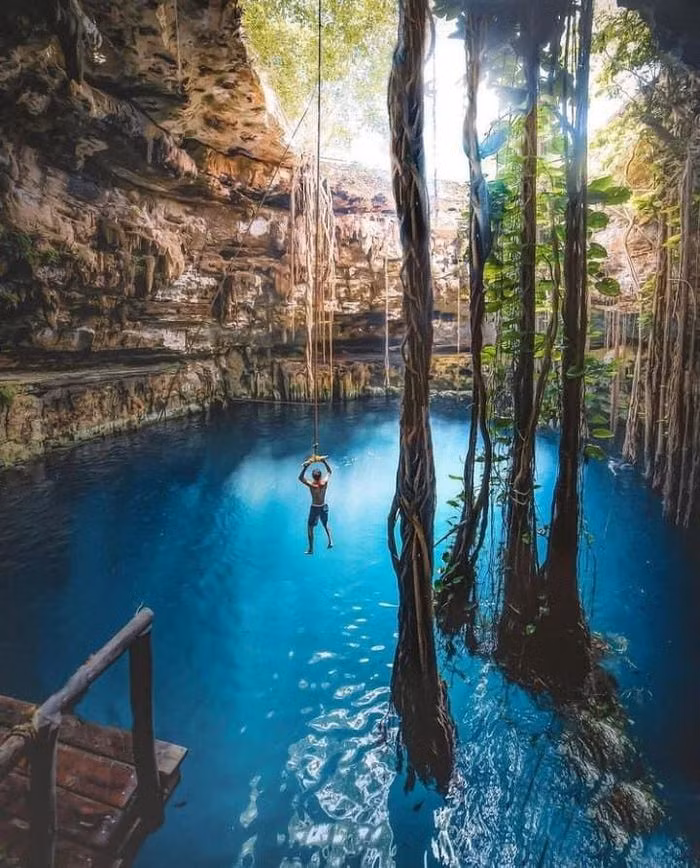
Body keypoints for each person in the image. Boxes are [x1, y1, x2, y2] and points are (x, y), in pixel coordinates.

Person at [298, 456, 333, 554]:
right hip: (323, 506)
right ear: (321, 476)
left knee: (310, 527)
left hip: (315, 508)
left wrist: (306, 466)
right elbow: (330, 472)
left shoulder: (312, 485)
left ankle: (311, 549)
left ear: (313, 477)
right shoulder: (325, 482)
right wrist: (324, 461)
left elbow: (300, 478)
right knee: (325, 524)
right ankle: (330, 541)